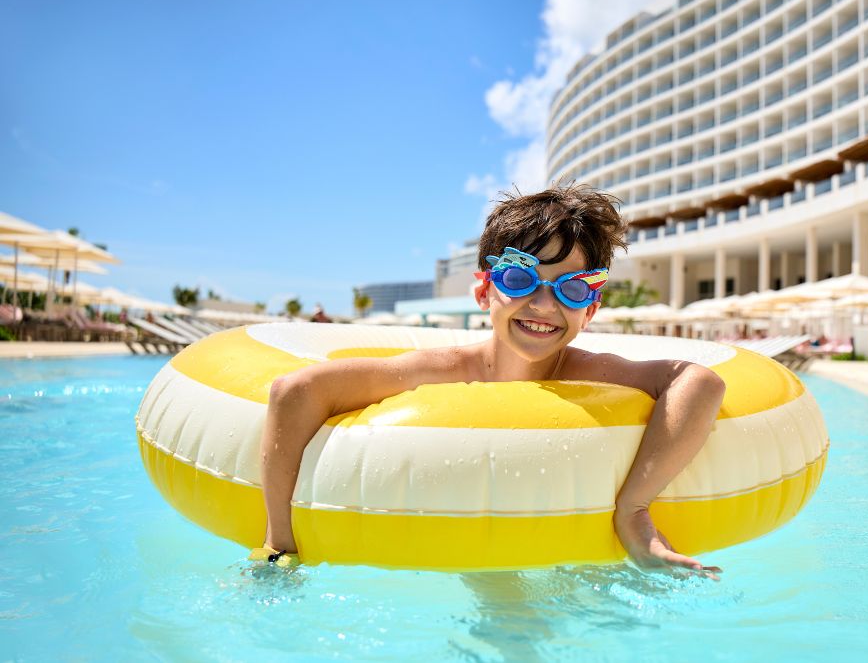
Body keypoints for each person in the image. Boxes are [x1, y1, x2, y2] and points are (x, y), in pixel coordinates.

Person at [256, 184, 726, 577]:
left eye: (571, 289)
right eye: (520, 280)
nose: (544, 305)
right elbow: (294, 392)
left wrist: (633, 508)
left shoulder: (589, 373)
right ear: (485, 291)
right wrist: (280, 544)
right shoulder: (443, 372)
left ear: (590, 309)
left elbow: (699, 383)